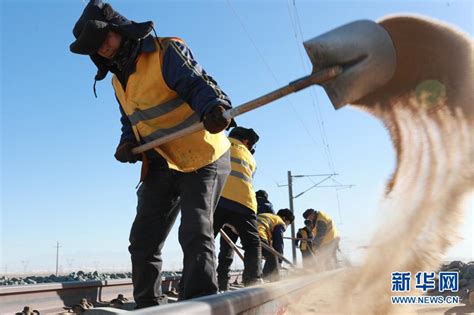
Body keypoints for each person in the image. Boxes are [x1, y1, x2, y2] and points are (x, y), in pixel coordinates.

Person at [70, 0, 233, 307]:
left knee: (196, 231)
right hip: (160, 161)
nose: (103, 48)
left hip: (202, 155)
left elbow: (197, 83)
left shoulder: (164, 52)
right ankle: (148, 307)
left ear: (120, 29)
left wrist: (214, 106)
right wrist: (126, 142)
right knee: (143, 240)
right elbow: (131, 120)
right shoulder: (118, 80)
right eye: (96, 46)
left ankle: (201, 305)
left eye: (105, 37)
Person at [213, 127, 262, 292]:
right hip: (244, 204)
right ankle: (253, 284)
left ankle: (195, 284)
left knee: (203, 241)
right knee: (252, 244)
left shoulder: (219, 141)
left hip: (217, 199)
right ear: (246, 142)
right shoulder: (251, 158)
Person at [257, 209, 295, 281]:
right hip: (260, 235)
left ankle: (252, 280)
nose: (287, 226)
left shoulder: (270, 217)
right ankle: (270, 280)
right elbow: (278, 243)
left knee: (254, 257)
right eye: (288, 223)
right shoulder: (280, 222)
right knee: (274, 256)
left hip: (249, 235)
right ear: (284, 218)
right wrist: (279, 259)